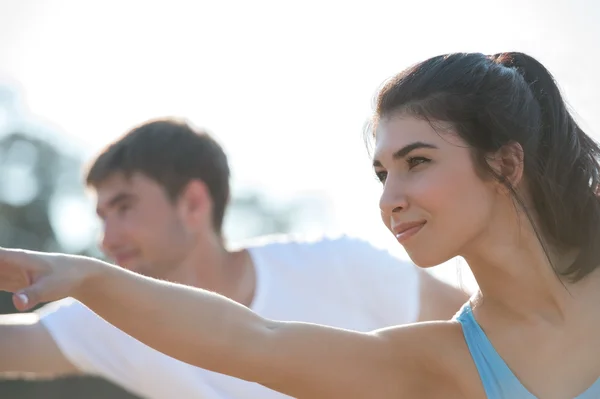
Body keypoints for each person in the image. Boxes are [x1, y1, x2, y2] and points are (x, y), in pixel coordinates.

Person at [0, 118, 468, 399]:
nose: (106, 238)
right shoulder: (110, 317)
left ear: (194, 204)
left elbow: (486, 336)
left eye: (124, 208)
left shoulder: (339, 265)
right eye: (101, 216)